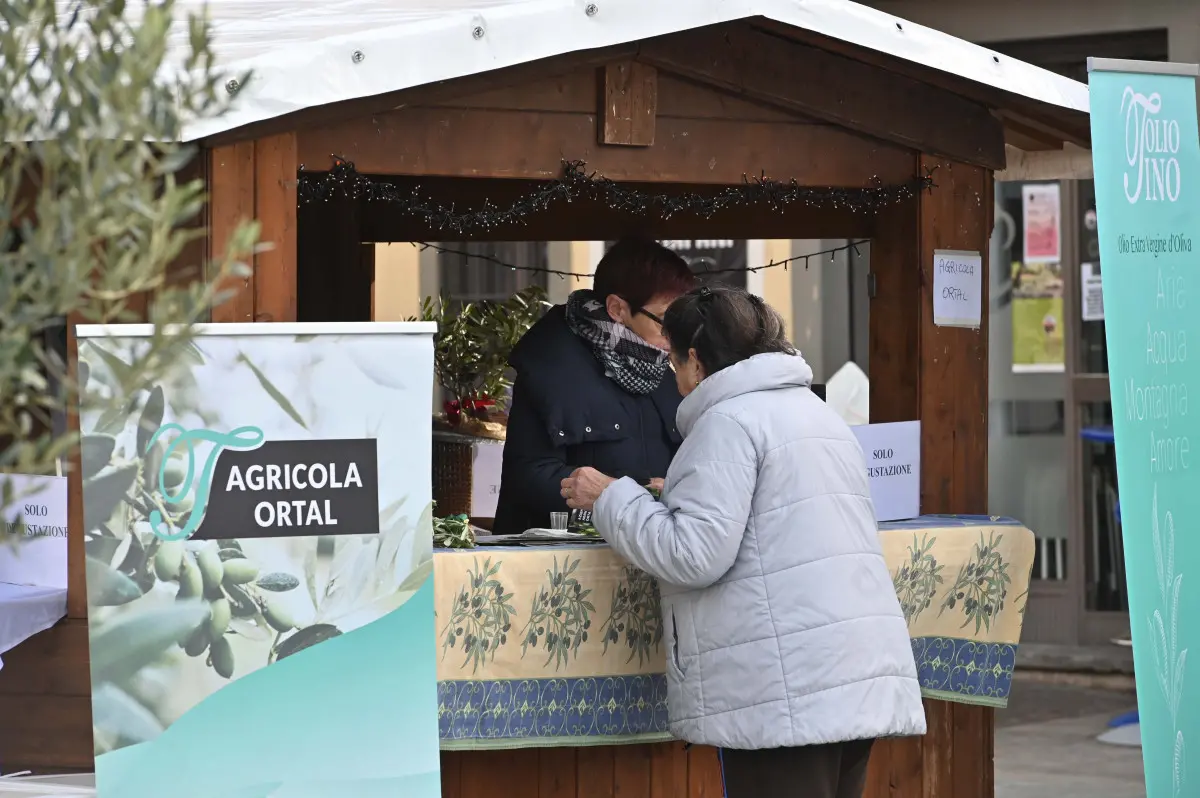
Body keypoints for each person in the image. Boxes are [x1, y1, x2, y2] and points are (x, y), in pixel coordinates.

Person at [558, 285, 926, 798]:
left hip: (783, 691)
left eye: (671, 358)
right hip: (849, 674)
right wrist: (677, 494)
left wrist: (610, 497)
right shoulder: (816, 414)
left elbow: (693, 555)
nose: (671, 375)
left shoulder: (727, 422)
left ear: (695, 359)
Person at [492, 238, 697, 535]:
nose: (675, 336)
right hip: (568, 562)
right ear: (617, 308)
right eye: (665, 321)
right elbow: (528, 475)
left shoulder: (665, 369)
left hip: (657, 552)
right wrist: (624, 496)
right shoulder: (552, 364)